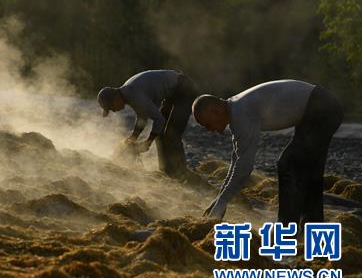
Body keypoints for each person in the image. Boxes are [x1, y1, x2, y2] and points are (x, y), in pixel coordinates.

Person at [193, 80, 343, 224]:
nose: (209, 129)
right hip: (318, 108)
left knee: (288, 164)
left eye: (207, 124)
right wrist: (220, 200)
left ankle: (286, 229)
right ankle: (311, 225)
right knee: (309, 170)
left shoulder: (241, 113)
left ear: (215, 111)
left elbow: (243, 168)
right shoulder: (236, 108)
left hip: (322, 109)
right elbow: (236, 162)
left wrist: (221, 203)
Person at [97, 70, 198, 178]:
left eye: (111, 107)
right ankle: (167, 172)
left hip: (184, 89)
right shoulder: (128, 92)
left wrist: (148, 142)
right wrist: (133, 138)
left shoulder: (134, 94)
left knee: (171, 135)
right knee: (160, 134)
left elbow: (159, 119)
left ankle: (181, 173)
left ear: (115, 98)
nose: (113, 110)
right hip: (172, 94)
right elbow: (142, 117)